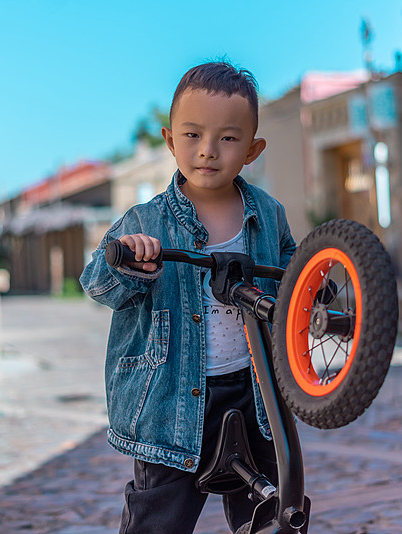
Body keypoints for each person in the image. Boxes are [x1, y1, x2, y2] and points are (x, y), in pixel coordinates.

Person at [79, 61, 296, 534]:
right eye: (193, 135)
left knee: (272, 511)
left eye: (228, 138)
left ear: (253, 149)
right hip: (172, 402)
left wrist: (319, 288)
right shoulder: (146, 221)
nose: (208, 151)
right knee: (158, 519)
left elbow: (294, 275)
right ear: (170, 140)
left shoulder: (268, 214)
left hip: (255, 393)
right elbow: (95, 282)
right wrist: (127, 263)